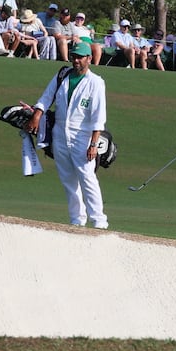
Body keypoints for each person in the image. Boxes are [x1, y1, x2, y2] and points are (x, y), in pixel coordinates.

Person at [27, 40, 109, 229]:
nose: (76, 60)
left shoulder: (96, 82)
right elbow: (47, 97)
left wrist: (94, 144)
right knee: (67, 179)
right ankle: (77, 219)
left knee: (87, 177)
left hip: (82, 134)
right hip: (60, 133)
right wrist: (36, 115)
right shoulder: (63, 75)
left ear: (89, 59)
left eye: (80, 57)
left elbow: (99, 116)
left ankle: (99, 221)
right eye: (74, 56)